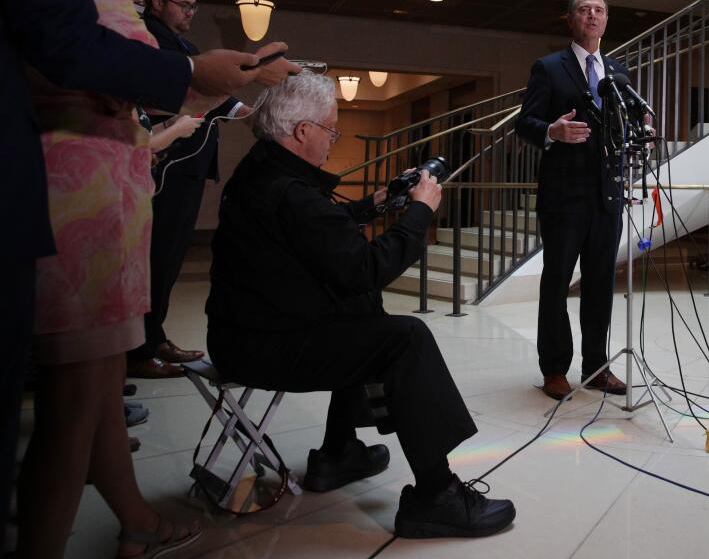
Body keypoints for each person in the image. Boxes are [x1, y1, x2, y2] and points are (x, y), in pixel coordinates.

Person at [2, 0, 297, 557]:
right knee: (71, 411)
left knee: (94, 392)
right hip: (87, 191)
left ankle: (133, 520)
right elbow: (109, 59)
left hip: (59, 181)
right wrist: (206, 75)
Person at [206, 71, 515, 539]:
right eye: (330, 130)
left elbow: (315, 230)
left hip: (243, 331)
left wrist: (372, 204)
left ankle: (339, 452)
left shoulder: (262, 171)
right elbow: (367, 268)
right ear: (302, 131)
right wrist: (420, 213)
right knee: (403, 338)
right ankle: (435, 494)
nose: (334, 139)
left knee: (360, 314)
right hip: (261, 347)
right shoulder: (290, 193)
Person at [127, 0, 246, 380]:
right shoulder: (149, 37)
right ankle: (138, 347)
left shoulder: (183, 42)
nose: (191, 12)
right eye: (184, 5)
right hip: (164, 162)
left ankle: (154, 334)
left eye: (195, 6)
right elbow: (184, 85)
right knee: (155, 255)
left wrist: (246, 111)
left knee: (170, 257)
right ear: (157, 2)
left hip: (188, 164)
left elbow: (212, 90)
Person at [515, 0, 629, 401]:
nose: (592, 16)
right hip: (563, 198)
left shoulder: (619, 71)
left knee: (599, 284)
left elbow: (621, 127)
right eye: (585, 10)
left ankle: (597, 368)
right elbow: (523, 121)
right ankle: (554, 370)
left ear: (606, 20)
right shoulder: (548, 68)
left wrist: (641, 133)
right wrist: (552, 131)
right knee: (557, 283)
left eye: (599, 10)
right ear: (571, 19)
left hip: (607, 197)